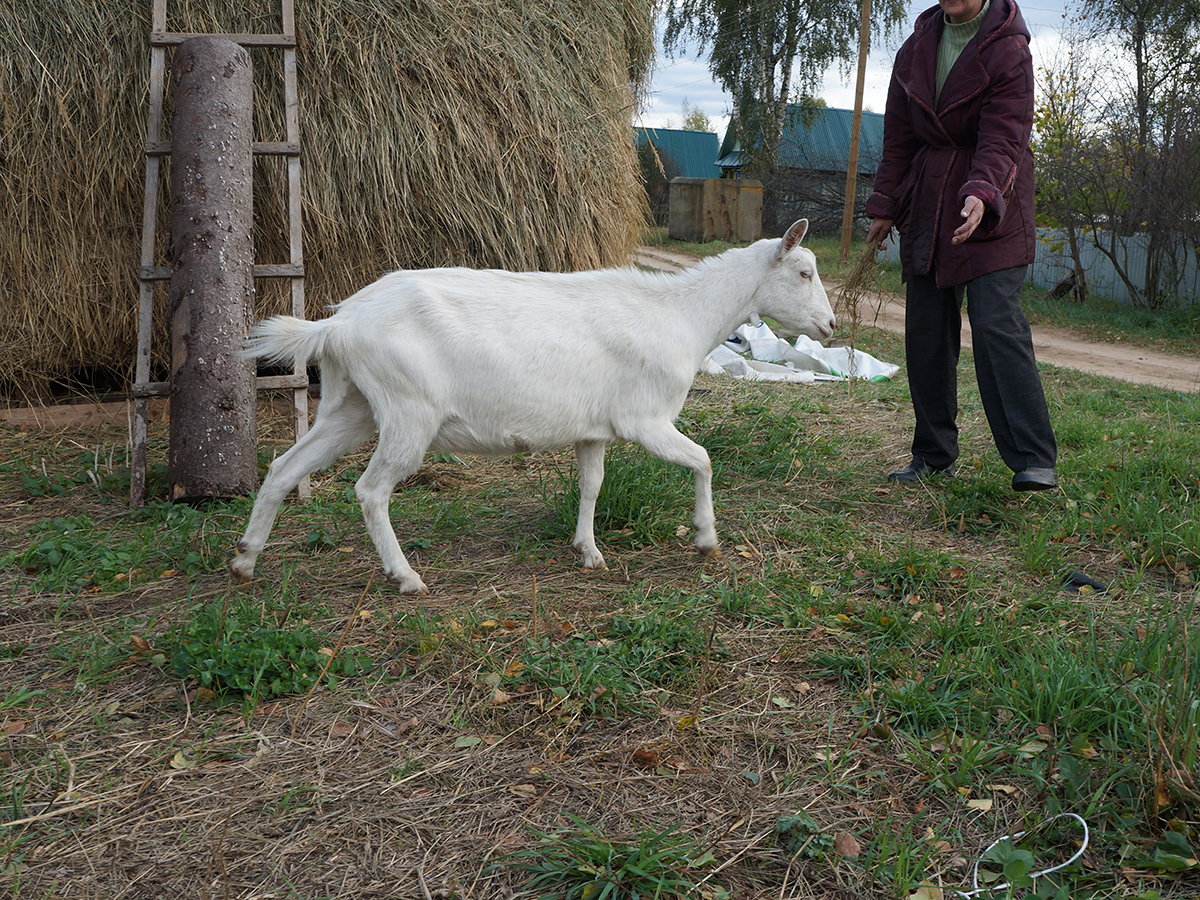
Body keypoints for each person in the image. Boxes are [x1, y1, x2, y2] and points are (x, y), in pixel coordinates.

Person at [865, 0, 1057, 491]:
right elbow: (899, 136)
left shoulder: (1009, 48)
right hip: (929, 199)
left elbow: (1004, 136)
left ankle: (1033, 459)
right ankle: (933, 455)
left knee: (996, 323)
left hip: (996, 203)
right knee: (926, 330)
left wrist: (981, 191)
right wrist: (886, 203)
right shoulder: (915, 48)